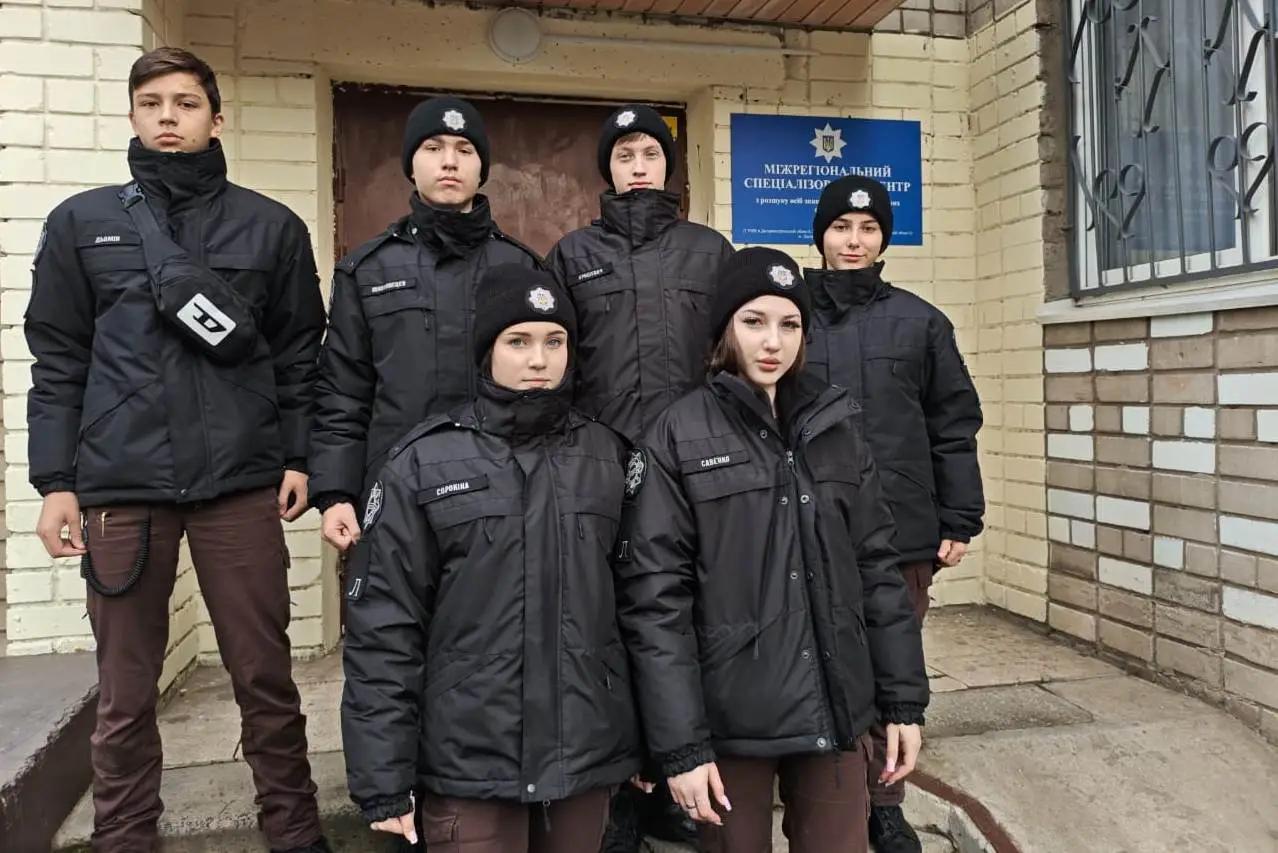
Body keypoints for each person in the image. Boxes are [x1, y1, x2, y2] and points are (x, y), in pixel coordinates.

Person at [25, 47, 327, 852]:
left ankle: (296, 831)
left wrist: (299, 457)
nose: (168, 116)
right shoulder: (81, 224)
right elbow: (58, 360)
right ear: (132, 115)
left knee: (264, 676)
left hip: (241, 485)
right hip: (120, 489)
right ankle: (125, 837)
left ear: (216, 118)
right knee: (125, 690)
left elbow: (301, 353)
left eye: (186, 103)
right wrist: (56, 482)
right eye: (152, 102)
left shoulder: (272, 226)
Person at [616, 248, 929, 852]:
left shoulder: (836, 425)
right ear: (724, 329)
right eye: (754, 321)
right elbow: (656, 602)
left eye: (789, 325)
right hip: (731, 722)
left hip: (835, 709)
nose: (772, 342)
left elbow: (877, 573)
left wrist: (902, 704)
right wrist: (681, 747)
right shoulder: (678, 434)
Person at [341, 265, 641, 853]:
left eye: (555, 341)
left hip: (584, 753)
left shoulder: (608, 456)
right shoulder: (424, 463)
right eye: (518, 341)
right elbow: (384, 628)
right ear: (487, 350)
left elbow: (642, 609)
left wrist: (658, 744)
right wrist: (382, 778)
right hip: (469, 759)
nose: (539, 359)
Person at [547, 101, 734, 850]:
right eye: (624, 155)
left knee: (685, 620)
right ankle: (620, 790)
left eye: (649, 154)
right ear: (608, 169)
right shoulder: (572, 255)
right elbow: (557, 366)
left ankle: (677, 776)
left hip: (693, 472)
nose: (638, 166)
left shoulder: (708, 251)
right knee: (604, 627)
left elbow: (730, 356)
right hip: (602, 471)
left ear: (667, 165)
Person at [805, 175, 984, 852]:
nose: (854, 241)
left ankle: (883, 802)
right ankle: (824, 786)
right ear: (820, 235)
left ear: (884, 239)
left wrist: (959, 516)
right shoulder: (790, 317)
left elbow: (953, 424)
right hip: (810, 525)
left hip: (901, 526)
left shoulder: (921, 321)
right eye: (841, 228)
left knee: (892, 660)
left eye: (869, 229)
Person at [310, 96, 541, 555]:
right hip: (395, 489)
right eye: (433, 148)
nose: (449, 162)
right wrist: (335, 492)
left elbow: (542, 393)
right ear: (411, 166)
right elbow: (342, 390)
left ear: (482, 168)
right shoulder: (367, 270)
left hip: (500, 493)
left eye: (464, 149)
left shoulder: (520, 268)